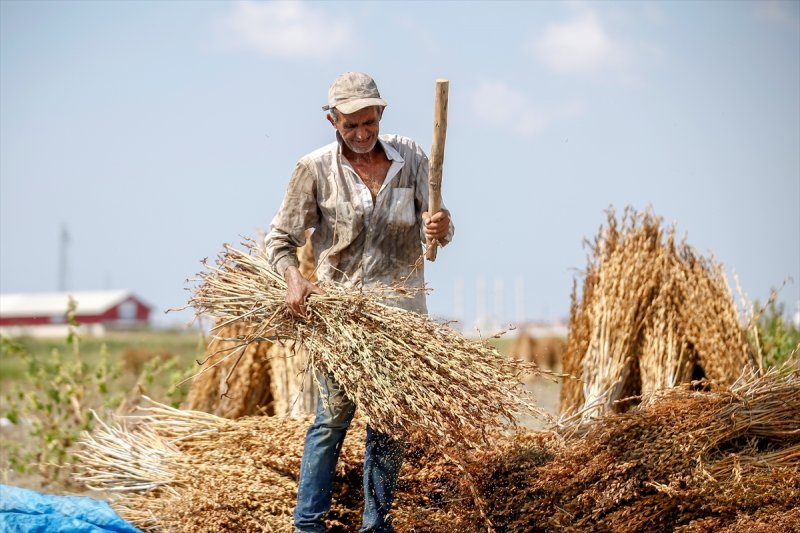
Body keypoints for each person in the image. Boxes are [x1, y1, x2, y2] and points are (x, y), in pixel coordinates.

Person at [265, 72, 454, 533]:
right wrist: (294, 278)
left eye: (369, 122)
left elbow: (440, 227)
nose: (362, 133)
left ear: (380, 114)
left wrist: (441, 227)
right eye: (350, 125)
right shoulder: (314, 169)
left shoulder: (410, 157)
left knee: (390, 423)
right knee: (331, 420)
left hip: (400, 317)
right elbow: (280, 241)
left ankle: (376, 525)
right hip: (340, 317)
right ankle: (308, 525)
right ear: (333, 121)